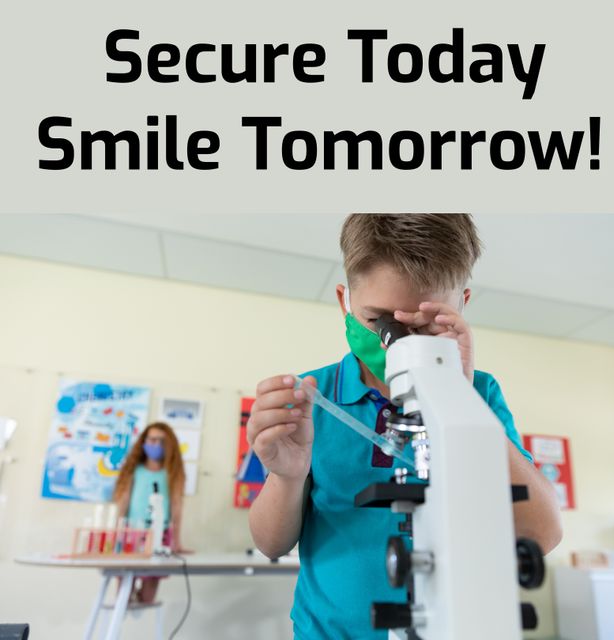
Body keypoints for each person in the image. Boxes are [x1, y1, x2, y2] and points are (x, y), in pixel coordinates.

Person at [247, 214, 563, 639]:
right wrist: (288, 476)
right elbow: (271, 544)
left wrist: (459, 398)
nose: (397, 342)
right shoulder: (312, 397)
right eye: (380, 321)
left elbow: (541, 533)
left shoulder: (478, 394)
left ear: (462, 305)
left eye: (423, 325)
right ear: (344, 300)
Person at [112, 421, 186, 604]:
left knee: (148, 597)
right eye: (152, 440)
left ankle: (141, 597)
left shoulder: (172, 473)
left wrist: (177, 540)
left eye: (162, 441)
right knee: (124, 593)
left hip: (159, 536)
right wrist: (117, 533)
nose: (156, 445)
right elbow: (124, 502)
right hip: (131, 534)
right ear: (144, 441)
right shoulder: (134, 471)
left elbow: (176, 506)